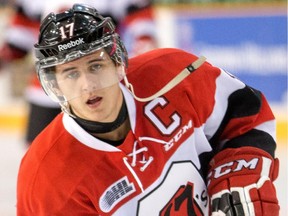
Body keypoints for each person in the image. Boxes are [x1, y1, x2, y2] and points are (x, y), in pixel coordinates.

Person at [17, 3, 280, 216]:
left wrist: (238, 169)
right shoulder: (45, 178)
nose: (88, 86)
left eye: (95, 66)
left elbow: (245, 115)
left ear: (117, 62)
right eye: (71, 74)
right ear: (55, 85)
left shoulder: (171, 74)